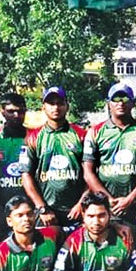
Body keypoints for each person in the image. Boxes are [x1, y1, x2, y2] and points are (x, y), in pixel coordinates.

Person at [83, 83, 136, 226]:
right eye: (116, 99)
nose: (120, 103)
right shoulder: (95, 132)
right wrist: (108, 199)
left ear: (133, 103)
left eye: (125, 99)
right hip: (107, 208)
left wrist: (130, 198)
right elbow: (88, 172)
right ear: (108, 103)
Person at [21, 86, 88, 227]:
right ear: (43, 107)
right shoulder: (32, 137)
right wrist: (42, 208)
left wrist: (81, 203)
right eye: (51, 103)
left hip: (77, 211)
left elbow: (91, 173)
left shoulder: (81, 135)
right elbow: (26, 175)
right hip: (46, 213)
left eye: (60, 103)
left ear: (67, 106)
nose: (56, 107)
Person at [0, 92, 33, 225]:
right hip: (0, 207)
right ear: (2, 111)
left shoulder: (34, 137)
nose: (16, 115)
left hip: (28, 210)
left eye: (21, 111)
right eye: (11, 111)